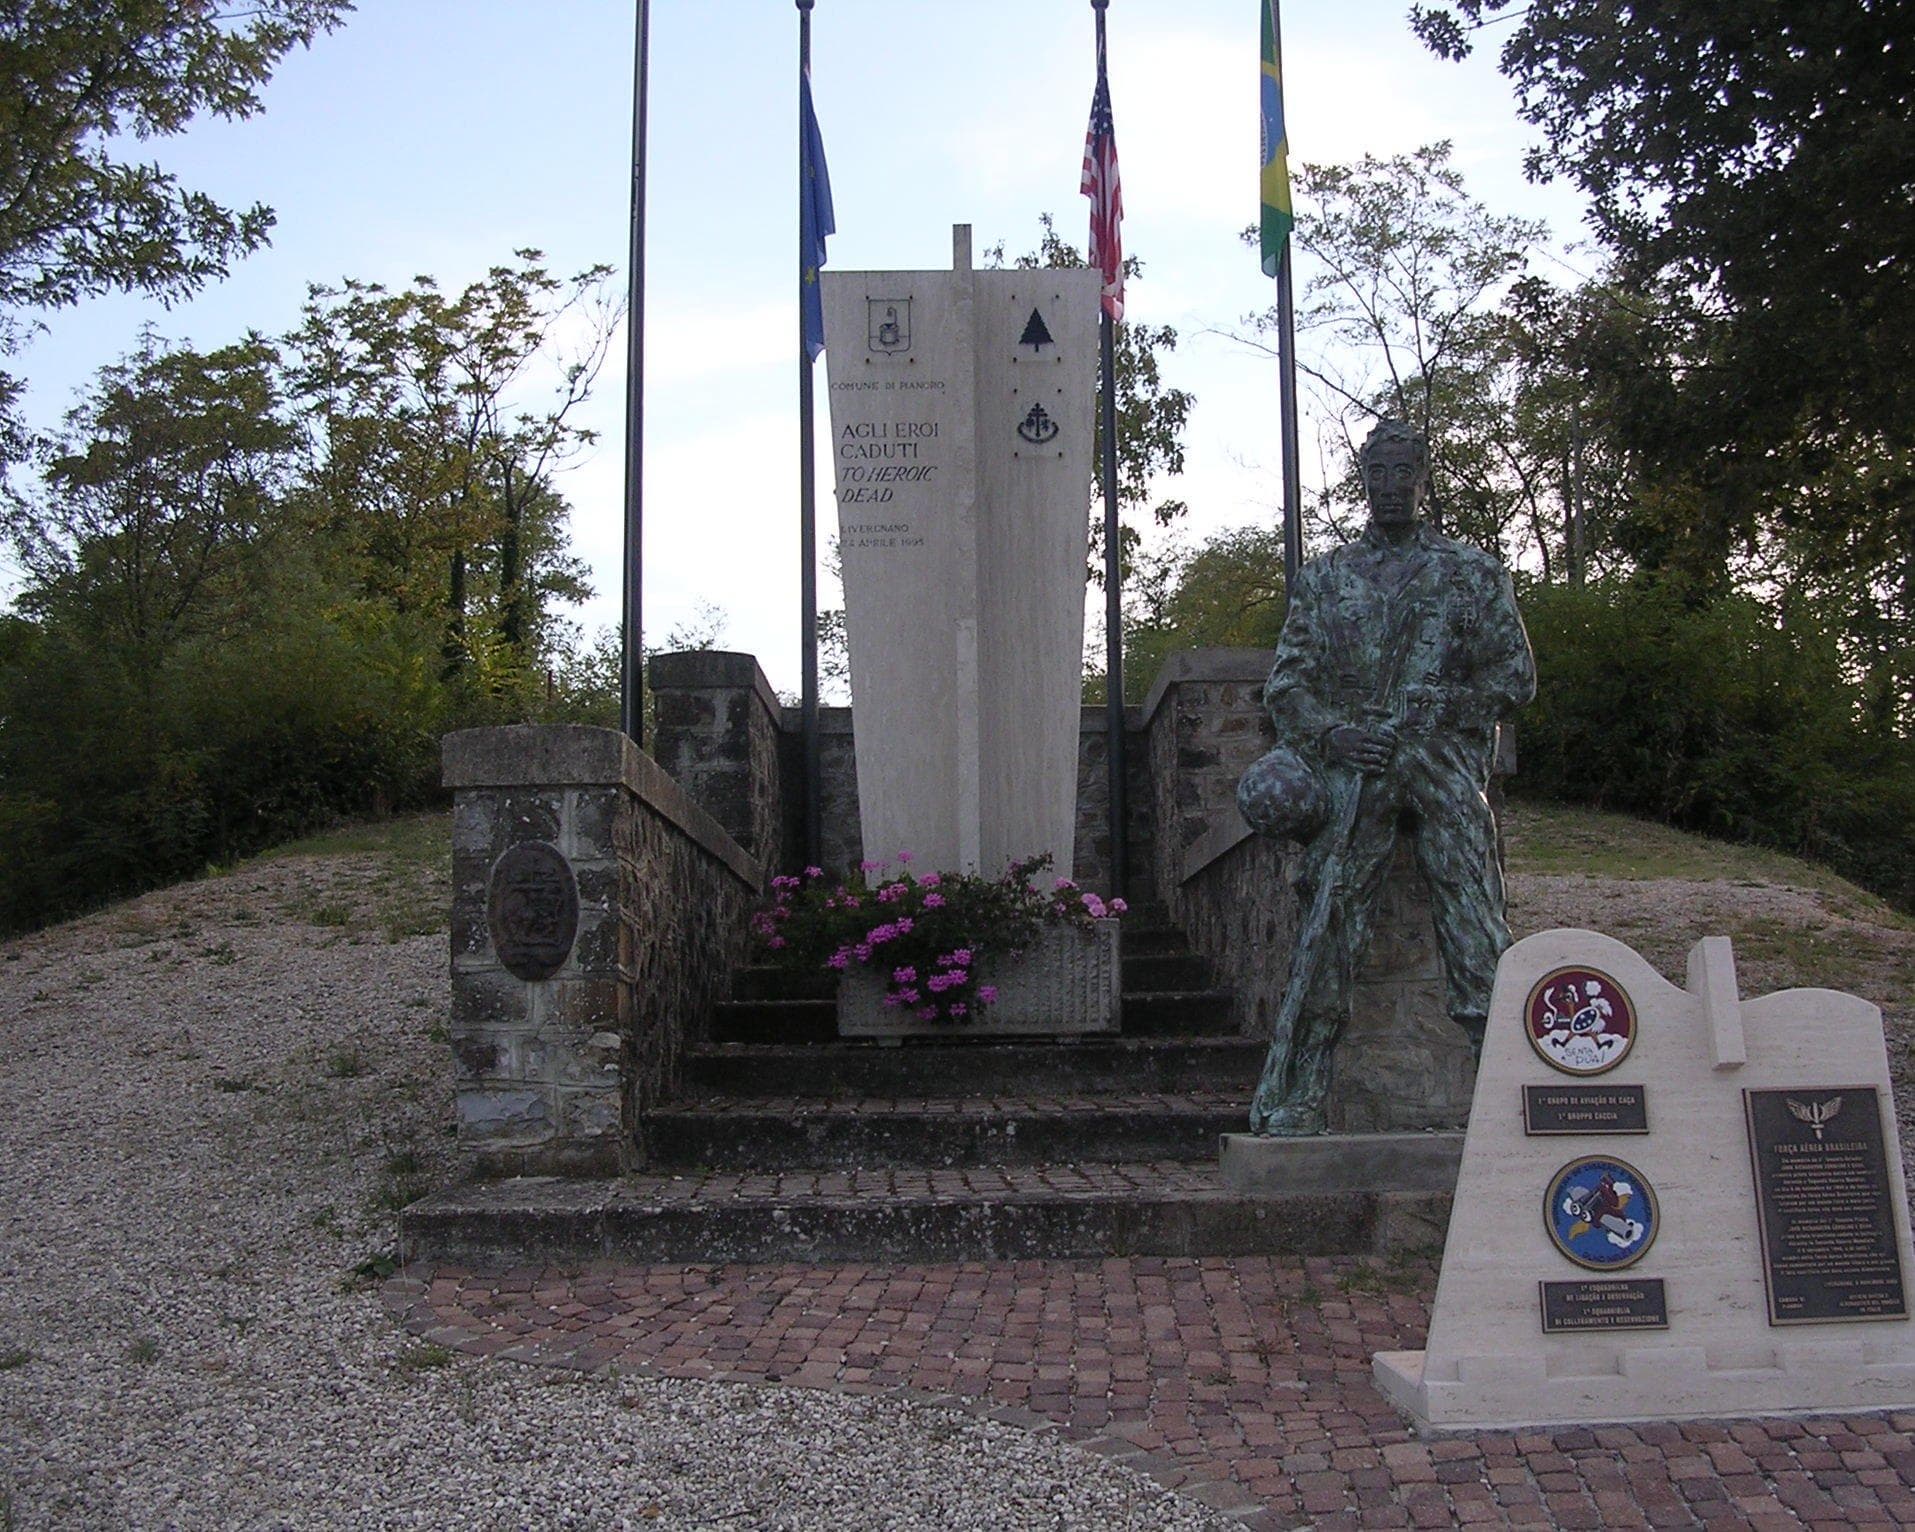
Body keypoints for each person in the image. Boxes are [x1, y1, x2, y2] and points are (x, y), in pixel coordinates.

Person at [1238, 417, 1535, 1135]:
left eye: (1404, 472)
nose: (1391, 486)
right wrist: (1331, 735)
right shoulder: (1325, 578)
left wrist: (1447, 706)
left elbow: (1514, 678)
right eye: (1378, 473)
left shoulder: (1471, 572)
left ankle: (1510, 1090)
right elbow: (1287, 686)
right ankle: (1301, 1091)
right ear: (1363, 481)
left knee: (1476, 923)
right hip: (1358, 772)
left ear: (1423, 479)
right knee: (1328, 927)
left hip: (1440, 765)